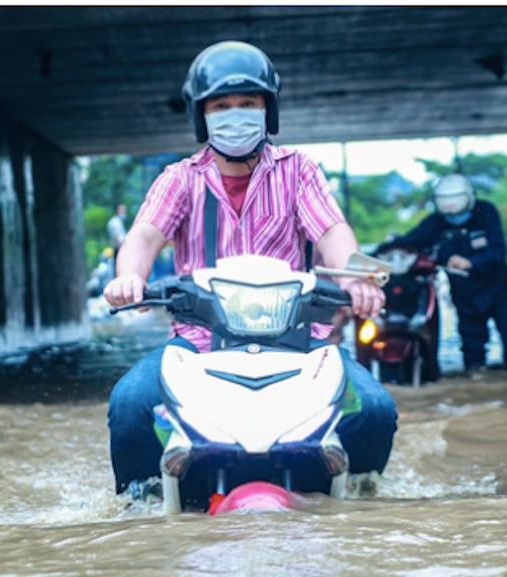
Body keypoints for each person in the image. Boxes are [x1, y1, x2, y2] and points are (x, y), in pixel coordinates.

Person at [102, 41, 398, 496]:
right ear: (201, 115)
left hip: (299, 341)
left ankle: (358, 496)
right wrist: (130, 276)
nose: (235, 114)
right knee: (128, 404)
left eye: (247, 103)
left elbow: (333, 233)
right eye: (221, 105)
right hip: (197, 344)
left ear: (268, 109)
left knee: (375, 409)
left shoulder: (299, 171)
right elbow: (142, 236)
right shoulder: (179, 179)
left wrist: (356, 277)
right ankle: (141, 505)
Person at [379, 173, 507, 373]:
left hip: (500, 292)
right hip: (465, 298)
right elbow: (409, 242)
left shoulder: (486, 212)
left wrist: (470, 263)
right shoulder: (434, 223)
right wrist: (378, 254)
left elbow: (498, 252)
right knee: (473, 355)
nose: (453, 216)